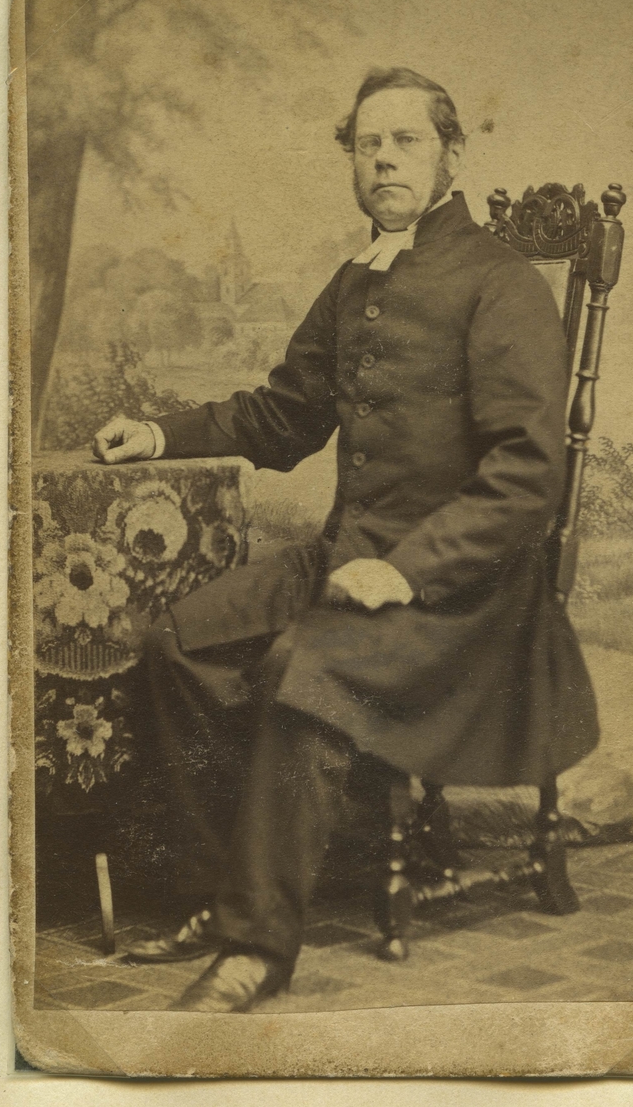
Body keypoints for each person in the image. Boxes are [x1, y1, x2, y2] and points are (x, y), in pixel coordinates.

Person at [92, 67, 599, 1012]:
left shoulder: (500, 284)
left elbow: (528, 478)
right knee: (176, 642)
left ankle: (256, 948)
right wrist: (161, 433)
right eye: (368, 145)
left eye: (405, 141)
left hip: (466, 593)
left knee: (304, 667)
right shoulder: (356, 278)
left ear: (451, 156)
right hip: (347, 557)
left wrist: (405, 572)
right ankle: (217, 891)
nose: (384, 160)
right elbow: (283, 416)